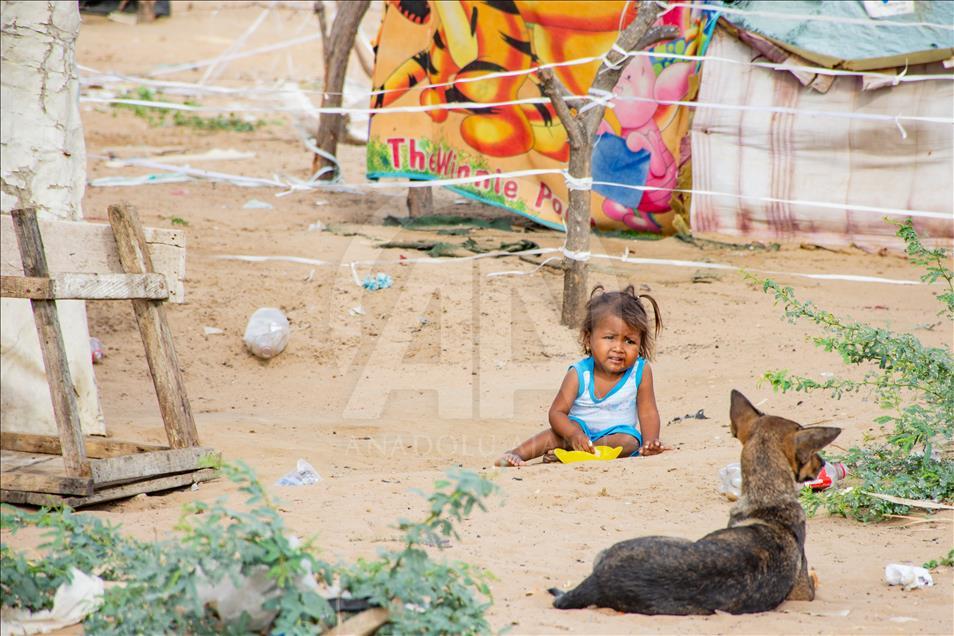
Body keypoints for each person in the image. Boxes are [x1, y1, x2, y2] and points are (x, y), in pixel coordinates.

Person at [496, 285, 667, 467]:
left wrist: (650, 442)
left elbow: (648, 411)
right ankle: (515, 454)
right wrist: (573, 435)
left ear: (640, 345)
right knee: (553, 434)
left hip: (616, 435)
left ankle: (573, 451)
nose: (618, 348)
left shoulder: (640, 371)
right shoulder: (579, 374)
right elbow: (557, 413)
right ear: (588, 338)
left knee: (630, 441)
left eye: (629, 341)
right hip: (578, 430)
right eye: (610, 337)